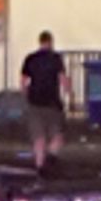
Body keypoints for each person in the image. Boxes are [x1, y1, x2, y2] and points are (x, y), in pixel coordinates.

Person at [19, 32, 68, 174]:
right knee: (57, 135)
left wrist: (26, 95)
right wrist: (69, 92)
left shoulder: (30, 58)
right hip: (52, 102)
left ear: (39, 42)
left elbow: (23, 81)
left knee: (38, 137)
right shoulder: (56, 58)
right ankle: (51, 156)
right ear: (51, 42)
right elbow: (62, 79)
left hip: (35, 102)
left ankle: (40, 165)